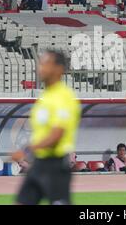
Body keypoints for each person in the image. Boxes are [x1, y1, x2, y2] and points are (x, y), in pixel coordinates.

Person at [12, 50, 81, 205]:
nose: (40, 67)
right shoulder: (45, 97)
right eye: (40, 63)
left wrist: (27, 149)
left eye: (45, 63)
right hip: (39, 163)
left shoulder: (64, 96)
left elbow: (57, 133)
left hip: (56, 165)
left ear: (59, 69)